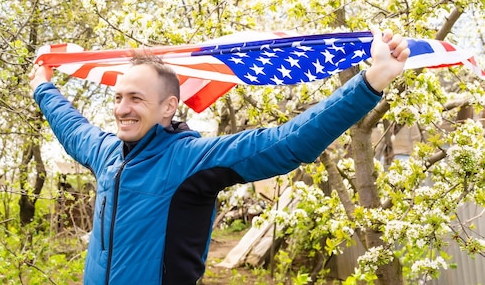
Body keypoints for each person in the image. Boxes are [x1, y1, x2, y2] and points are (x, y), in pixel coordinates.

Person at [28, 29, 410, 284]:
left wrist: (370, 83)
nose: (122, 109)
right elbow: (72, 126)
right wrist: (44, 88)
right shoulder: (107, 153)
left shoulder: (192, 160)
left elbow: (285, 143)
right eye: (118, 97)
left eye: (136, 99)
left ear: (168, 108)